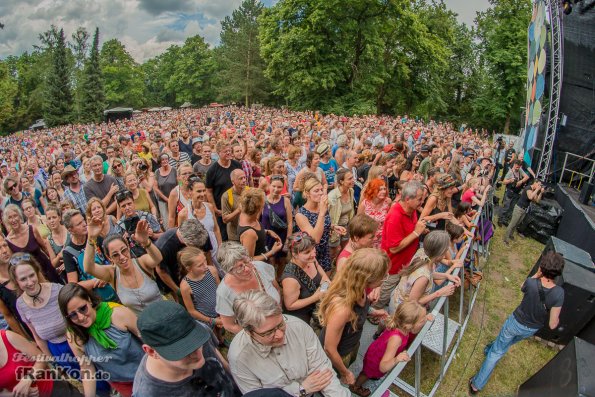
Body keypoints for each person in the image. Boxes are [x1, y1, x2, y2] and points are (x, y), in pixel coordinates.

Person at [469, 252, 565, 394]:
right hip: (530, 329)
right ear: (558, 271)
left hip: (515, 322)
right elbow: (552, 324)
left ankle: (476, 385)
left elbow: (522, 287)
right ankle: (489, 349)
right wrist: (557, 320)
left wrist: (536, 274)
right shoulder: (559, 293)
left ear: (542, 266)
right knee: (504, 344)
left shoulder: (531, 282)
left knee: (497, 352)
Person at [228, 290, 350, 396]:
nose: (280, 335)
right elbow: (257, 396)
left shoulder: (299, 327)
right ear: (249, 332)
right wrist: (301, 390)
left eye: (281, 324)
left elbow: (322, 370)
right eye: (268, 333)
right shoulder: (239, 358)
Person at [317, 249, 388, 391]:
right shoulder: (342, 308)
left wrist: (372, 312)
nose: (385, 278)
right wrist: (345, 372)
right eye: (382, 276)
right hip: (337, 356)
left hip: (351, 345)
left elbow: (359, 311)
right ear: (367, 278)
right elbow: (329, 349)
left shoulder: (359, 288)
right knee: (330, 382)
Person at [133, 300, 238, 396]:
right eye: (182, 350)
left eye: (196, 342)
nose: (198, 354)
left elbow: (220, 361)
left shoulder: (199, 330)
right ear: (151, 351)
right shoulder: (148, 393)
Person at [58, 283, 144, 397]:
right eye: (73, 315)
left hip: (147, 373)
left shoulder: (116, 313)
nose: (81, 317)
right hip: (121, 383)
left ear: (89, 300)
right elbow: (87, 367)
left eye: (83, 309)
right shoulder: (74, 335)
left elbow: (147, 339)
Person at [83, 216, 163, 315]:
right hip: (144, 327)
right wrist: (91, 238)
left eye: (123, 250)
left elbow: (158, 259)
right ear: (109, 258)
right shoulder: (112, 274)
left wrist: (146, 242)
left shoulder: (141, 262)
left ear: (128, 247)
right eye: (115, 255)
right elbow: (88, 268)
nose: (122, 257)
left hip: (164, 317)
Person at [352, 302, 429, 397]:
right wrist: (396, 359)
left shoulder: (401, 324)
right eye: (422, 321)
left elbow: (415, 327)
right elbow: (383, 367)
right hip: (375, 361)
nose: (425, 321)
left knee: (368, 372)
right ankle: (355, 386)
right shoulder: (396, 339)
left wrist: (426, 318)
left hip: (378, 352)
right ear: (408, 326)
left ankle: (371, 376)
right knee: (365, 374)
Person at [374, 181, 425, 311]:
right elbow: (394, 248)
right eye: (419, 199)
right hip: (392, 266)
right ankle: (374, 313)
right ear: (408, 199)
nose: (422, 202)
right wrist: (416, 233)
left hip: (404, 264)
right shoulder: (395, 216)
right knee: (383, 294)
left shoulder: (411, 210)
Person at [215, 242, 281, 334]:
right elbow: (229, 325)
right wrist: (256, 335)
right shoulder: (224, 292)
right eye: (239, 267)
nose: (247, 269)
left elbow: (277, 289)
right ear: (228, 271)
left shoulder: (261, 267)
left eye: (246, 261)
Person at [390, 231, 460, 314]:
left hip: (396, 299)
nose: (445, 254)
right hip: (401, 313)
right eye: (445, 250)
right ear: (440, 253)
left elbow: (430, 274)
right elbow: (412, 303)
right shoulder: (423, 278)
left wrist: (446, 276)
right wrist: (439, 293)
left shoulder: (422, 252)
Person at [0, 327, 83, 397]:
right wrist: (18, 394)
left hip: (53, 389)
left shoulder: (7, 337)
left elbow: (41, 358)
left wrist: (28, 379)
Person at [153, 219, 213, 299]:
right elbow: (161, 271)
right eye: (195, 246)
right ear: (185, 241)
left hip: (199, 274)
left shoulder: (201, 233)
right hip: (176, 279)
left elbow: (207, 252)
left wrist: (210, 273)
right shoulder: (163, 246)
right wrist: (178, 291)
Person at [280, 232, 331, 326]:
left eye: (313, 249)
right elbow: (290, 305)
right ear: (294, 254)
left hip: (316, 311)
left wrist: (323, 289)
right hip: (300, 319)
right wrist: (315, 297)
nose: (313, 254)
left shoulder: (311, 260)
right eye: (307, 252)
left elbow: (325, 279)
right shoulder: (290, 279)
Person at [3, 204, 61, 284]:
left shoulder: (31, 229)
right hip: (29, 276)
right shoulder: (8, 241)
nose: (13, 220)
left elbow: (45, 248)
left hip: (46, 268)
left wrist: (55, 264)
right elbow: (14, 262)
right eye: (10, 217)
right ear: (7, 221)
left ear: (20, 216)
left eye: (15, 216)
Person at [178, 247, 224, 342]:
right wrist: (212, 320)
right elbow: (191, 311)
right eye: (200, 265)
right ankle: (216, 343)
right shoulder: (185, 286)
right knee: (211, 336)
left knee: (219, 330)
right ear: (189, 268)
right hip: (204, 317)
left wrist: (222, 311)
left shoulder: (212, 271)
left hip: (218, 310)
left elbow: (220, 291)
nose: (205, 266)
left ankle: (221, 339)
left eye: (205, 261)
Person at [178, 178, 222, 266]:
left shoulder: (209, 207)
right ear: (190, 192)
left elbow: (216, 229)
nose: (202, 194)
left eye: (204, 190)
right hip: (200, 255)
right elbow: (182, 238)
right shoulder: (184, 214)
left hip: (216, 251)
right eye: (198, 191)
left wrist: (221, 248)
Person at [295, 177, 335, 273]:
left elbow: (322, 224)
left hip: (325, 250)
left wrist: (333, 227)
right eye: (316, 191)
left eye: (321, 190)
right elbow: (315, 239)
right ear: (307, 193)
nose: (321, 193)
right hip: (310, 254)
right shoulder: (300, 214)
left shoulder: (321, 206)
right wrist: (322, 212)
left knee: (326, 283)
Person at [205, 140, 242, 241]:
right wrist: (215, 209)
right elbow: (208, 191)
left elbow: (243, 183)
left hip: (237, 207)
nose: (229, 153)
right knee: (224, 237)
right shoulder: (212, 170)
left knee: (239, 235)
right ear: (218, 153)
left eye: (230, 150)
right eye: (225, 151)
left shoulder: (237, 165)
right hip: (222, 210)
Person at [261, 174, 293, 277]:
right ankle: (271, 280)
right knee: (270, 261)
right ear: (269, 186)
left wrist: (288, 240)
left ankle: (279, 278)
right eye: (274, 186)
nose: (276, 189)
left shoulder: (286, 201)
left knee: (282, 260)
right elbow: (257, 220)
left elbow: (290, 222)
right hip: (267, 236)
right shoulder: (262, 200)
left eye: (279, 187)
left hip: (282, 236)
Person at [238, 188, 283, 262]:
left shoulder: (246, 215)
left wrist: (267, 232)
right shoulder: (249, 233)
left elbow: (256, 233)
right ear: (258, 208)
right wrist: (272, 251)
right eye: (263, 204)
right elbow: (249, 260)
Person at [115, 189, 163, 256]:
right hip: (135, 257)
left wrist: (153, 235)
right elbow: (119, 250)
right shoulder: (119, 226)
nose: (127, 208)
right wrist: (124, 241)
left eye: (129, 204)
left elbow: (162, 235)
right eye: (123, 206)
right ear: (120, 208)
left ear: (134, 203)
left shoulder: (147, 216)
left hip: (153, 253)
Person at [504, 180, 545, 246]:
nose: (539, 186)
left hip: (524, 210)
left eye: (540, 185)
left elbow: (537, 200)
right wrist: (537, 190)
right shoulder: (528, 188)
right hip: (519, 209)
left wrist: (541, 193)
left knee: (517, 224)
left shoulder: (534, 190)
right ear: (535, 183)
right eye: (538, 185)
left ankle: (511, 235)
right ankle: (505, 239)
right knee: (512, 224)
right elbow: (530, 197)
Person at [327, 168, 355, 259]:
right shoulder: (332, 196)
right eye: (349, 179)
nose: (353, 180)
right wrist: (331, 228)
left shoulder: (351, 191)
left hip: (346, 226)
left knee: (345, 249)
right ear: (341, 181)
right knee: (333, 252)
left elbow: (351, 210)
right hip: (335, 228)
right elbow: (326, 214)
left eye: (352, 178)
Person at [357, 178, 391, 248]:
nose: (383, 191)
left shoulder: (388, 202)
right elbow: (358, 223)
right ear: (372, 190)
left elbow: (390, 220)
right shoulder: (364, 204)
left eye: (384, 189)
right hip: (368, 240)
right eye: (380, 189)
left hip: (383, 239)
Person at [221, 169, 248, 242]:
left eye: (244, 177)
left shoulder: (249, 191)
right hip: (235, 236)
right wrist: (238, 210)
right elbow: (225, 219)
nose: (244, 180)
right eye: (240, 178)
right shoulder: (226, 196)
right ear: (233, 181)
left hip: (249, 233)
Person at [153, 153, 177, 227]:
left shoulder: (174, 170)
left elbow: (180, 183)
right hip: (162, 200)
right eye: (163, 159)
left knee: (176, 218)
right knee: (166, 221)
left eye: (166, 159)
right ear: (160, 161)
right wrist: (166, 199)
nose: (165, 161)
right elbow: (155, 188)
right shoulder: (157, 172)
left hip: (175, 199)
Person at [167, 162, 194, 228]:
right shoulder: (175, 193)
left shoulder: (198, 189)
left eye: (190, 173)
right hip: (182, 230)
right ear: (178, 177)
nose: (187, 176)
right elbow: (171, 217)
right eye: (184, 174)